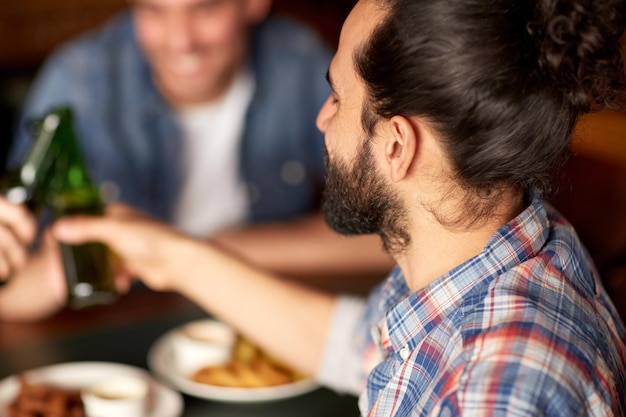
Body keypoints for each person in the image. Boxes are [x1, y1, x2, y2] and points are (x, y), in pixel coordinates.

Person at [46, 0, 626, 414]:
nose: (322, 119)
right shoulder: (501, 249)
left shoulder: (491, 393)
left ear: (397, 145)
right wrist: (174, 254)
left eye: (337, 97)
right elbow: (354, 345)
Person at [0, 0, 394, 321]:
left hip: (262, 306)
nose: (181, 41)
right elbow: (13, 279)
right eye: (154, 11)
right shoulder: (78, 80)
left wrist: (210, 252)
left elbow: (399, 231)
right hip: (118, 323)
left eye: (205, 9)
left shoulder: (300, 61)